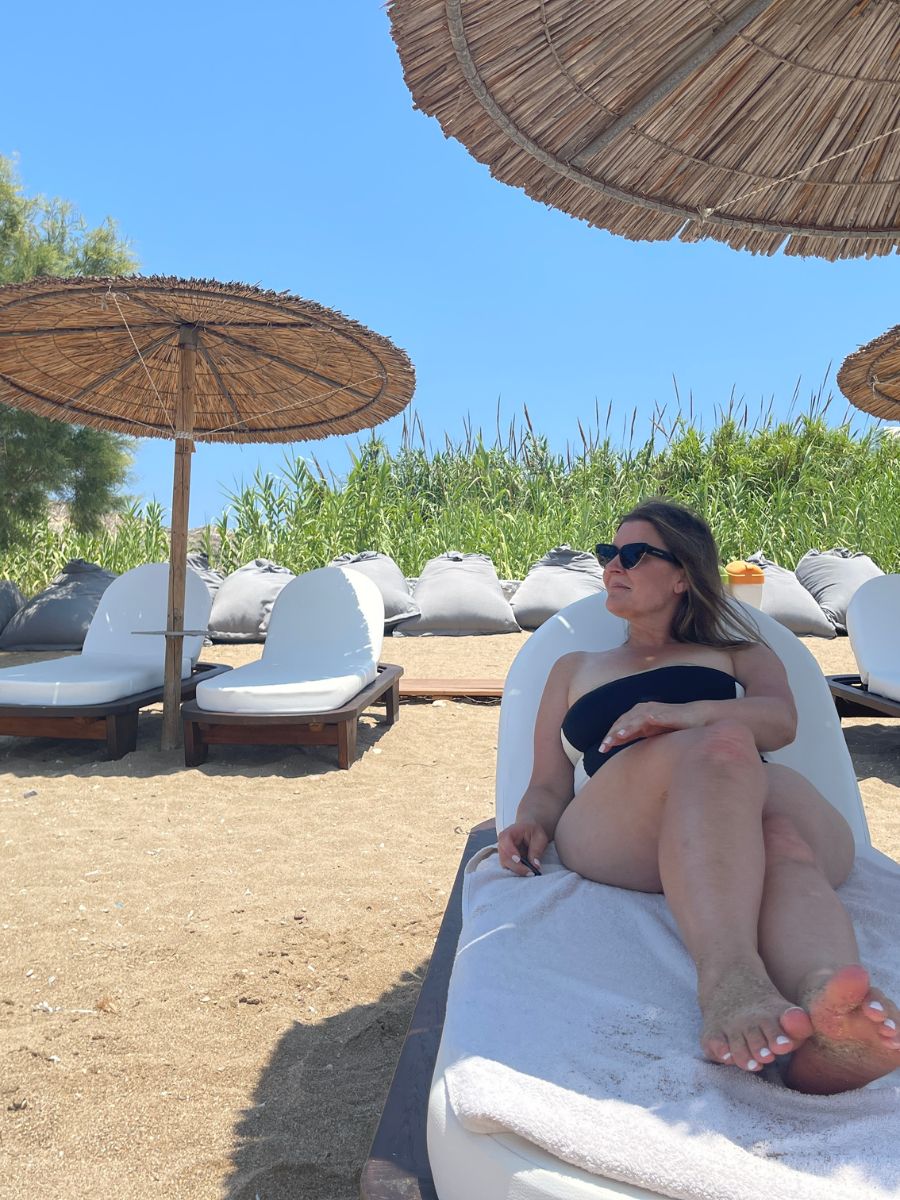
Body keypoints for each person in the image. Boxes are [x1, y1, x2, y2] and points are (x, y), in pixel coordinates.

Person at [498, 498, 900, 1094]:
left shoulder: (740, 650)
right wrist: (529, 821)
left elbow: (780, 721)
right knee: (723, 747)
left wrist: (678, 713)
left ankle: (828, 1008)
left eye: (634, 554)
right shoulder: (573, 666)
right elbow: (549, 783)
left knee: (781, 837)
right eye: (609, 553)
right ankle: (730, 977)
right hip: (624, 825)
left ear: (683, 574)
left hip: (744, 795)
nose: (613, 565)